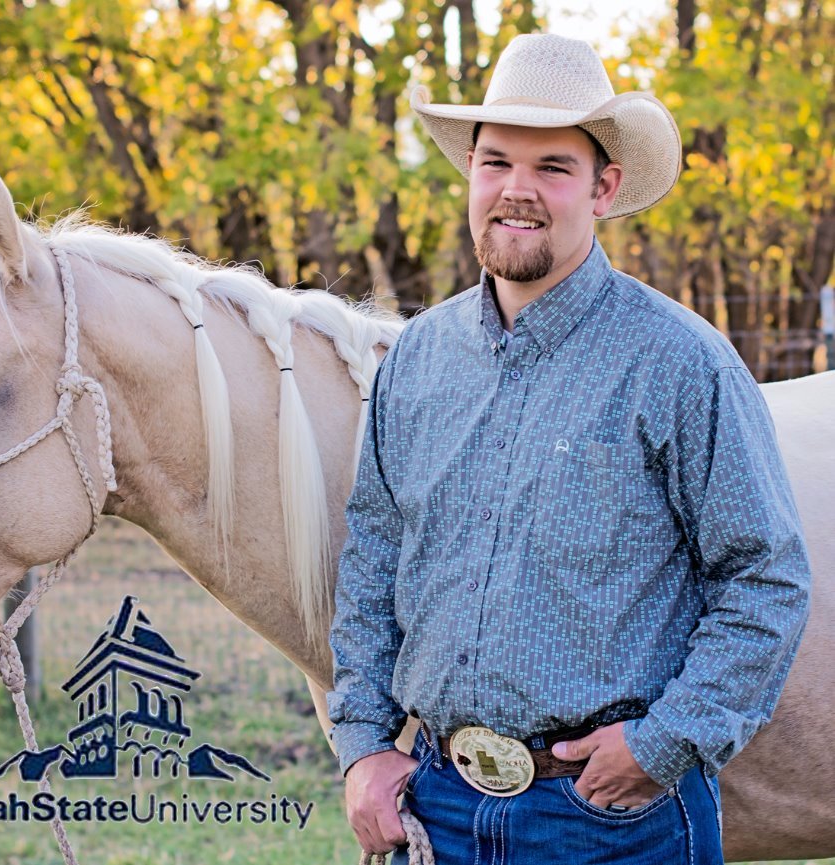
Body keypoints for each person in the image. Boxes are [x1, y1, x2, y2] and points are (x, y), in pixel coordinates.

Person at [326, 32, 811, 865]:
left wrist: (664, 741)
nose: (517, 190)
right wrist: (365, 743)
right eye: (496, 162)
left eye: (552, 166)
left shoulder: (680, 364)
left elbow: (764, 580)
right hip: (438, 804)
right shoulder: (416, 359)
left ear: (604, 187)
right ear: (470, 171)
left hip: (614, 818)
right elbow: (374, 555)